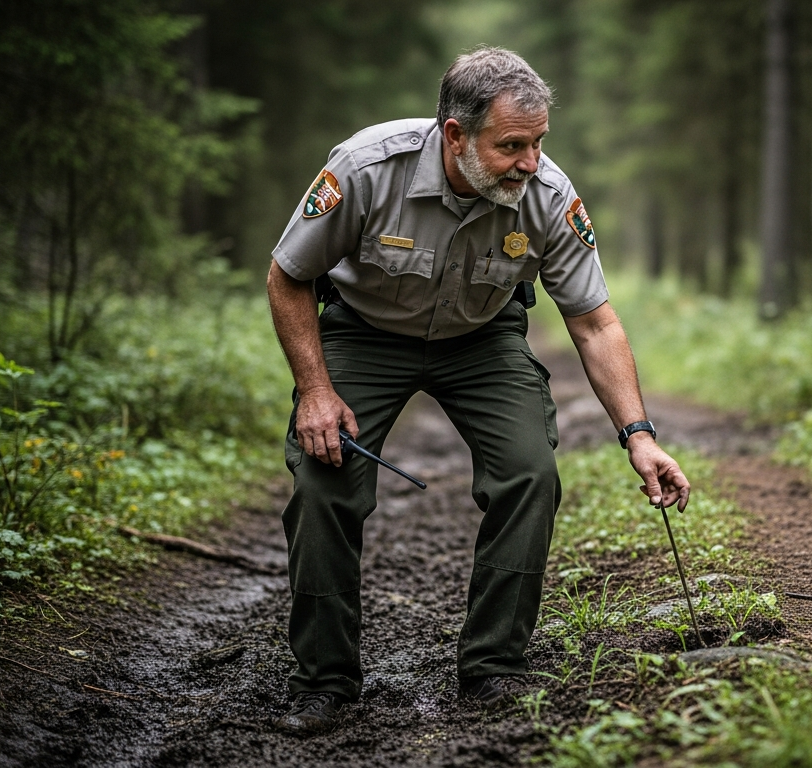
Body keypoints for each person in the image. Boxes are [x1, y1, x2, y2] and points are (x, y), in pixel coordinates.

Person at [265, 47, 690, 735]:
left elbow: (594, 322)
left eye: (538, 143)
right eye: (511, 146)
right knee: (324, 482)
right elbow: (286, 277)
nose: (530, 162)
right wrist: (314, 389)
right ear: (454, 134)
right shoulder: (367, 168)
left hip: (483, 340)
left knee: (529, 472)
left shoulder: (548, 195)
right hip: (365, 333)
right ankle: (325, 680)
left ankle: (494, 664)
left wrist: (638, 436)